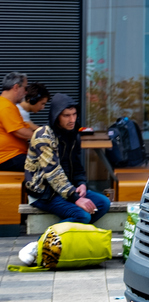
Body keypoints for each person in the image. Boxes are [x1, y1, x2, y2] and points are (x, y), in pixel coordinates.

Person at [24, 94, 111, 224]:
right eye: (66, 115)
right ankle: (49, 236)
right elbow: (53, 172)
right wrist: (75, 198)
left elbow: (76, 164)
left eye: (74, 114)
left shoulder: (73, 134)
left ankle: (73, 232)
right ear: (56, 116)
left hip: (67, 189)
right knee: (82, 216)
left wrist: (81, 184)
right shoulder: (43, 135)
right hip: (44, 193)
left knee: (103, 203)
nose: (72, 119)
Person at [0, 72, 32, 172]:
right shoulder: (5, 106)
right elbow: (19, 131)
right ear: (16, 87)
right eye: (25, 88)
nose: (26, 92)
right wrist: (42, 136)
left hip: (12, 156)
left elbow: (23, 126)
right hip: (8, 158)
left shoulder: (7, 105)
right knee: (47, 164)